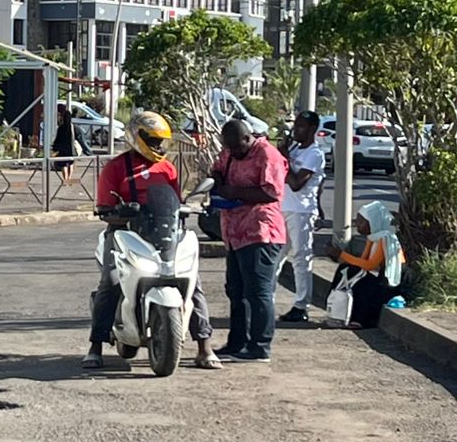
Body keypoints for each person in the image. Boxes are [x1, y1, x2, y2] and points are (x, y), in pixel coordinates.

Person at [84, 111, 222, 371]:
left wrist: (185, 208)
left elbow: (174, 203)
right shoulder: (116, 168)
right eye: (153, 140)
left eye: (162, 141)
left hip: (163, 235)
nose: (159, 146)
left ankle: (204, 346)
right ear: (137, 138)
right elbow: (104, 207)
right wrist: (117, 213)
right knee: (111, 280)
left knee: (194, 283)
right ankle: (95, 346)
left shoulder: (167, 168)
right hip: (127, 234)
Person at [210, 119, 288, 363]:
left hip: (260, 232)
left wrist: (235, 193)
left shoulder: (267, 155)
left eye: (235, 147)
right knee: (236, 291)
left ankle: (259, 346)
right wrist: (220, 184)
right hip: (234, 234)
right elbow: (216, 170)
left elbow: (271, 192)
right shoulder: (230, 152)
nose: (232, 152)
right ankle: (238, 342)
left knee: (258, 291)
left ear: (248, 138)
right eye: (228, 147)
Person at [326, 201, 406, 329]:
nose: (357, 225)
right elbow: (362, 262)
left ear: (373, 223)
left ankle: (360, 320)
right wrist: (339, 256)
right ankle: (336, 310)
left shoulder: (384, 239)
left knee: (361, 283)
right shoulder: (372, 238)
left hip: (388, 285)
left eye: (361, 222)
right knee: (346, 269)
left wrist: (342, 254)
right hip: (380, 280)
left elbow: (369, 265)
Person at [278, 111, 325, 323]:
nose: (296, 130)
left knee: (300, 258)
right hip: (284, 207)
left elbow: (297, 183)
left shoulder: (314, 154)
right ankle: (266, 298)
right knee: (276, 256)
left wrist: (285, 160)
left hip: (301, 211)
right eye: (295, 126)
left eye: (301, 127)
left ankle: (301, 304)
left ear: (313, 129)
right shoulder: (295, 149)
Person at [52, 105, 86, 186]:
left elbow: (57, 139)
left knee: (64, 165)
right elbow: (79, 139)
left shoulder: (61, 128)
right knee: (70, 164)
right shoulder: (74, 128)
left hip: (63, 149)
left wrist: (55, 147)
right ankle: (69, 178)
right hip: (71, 149)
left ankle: (65, 179)